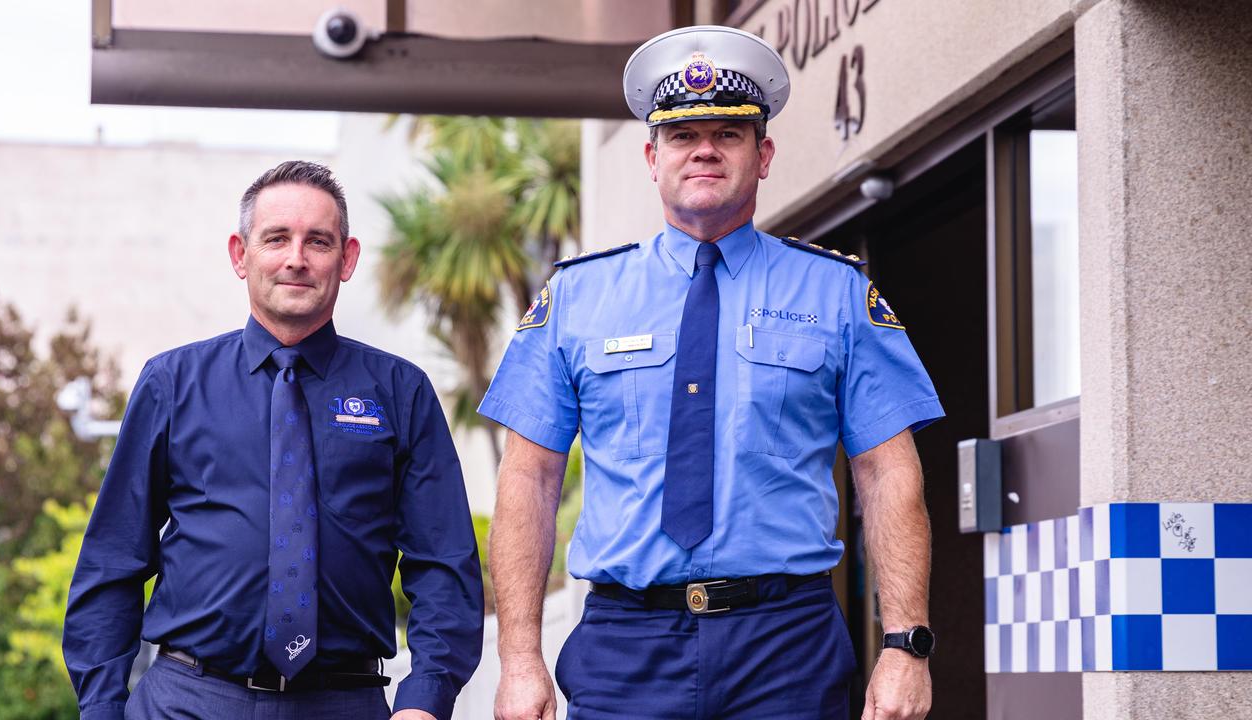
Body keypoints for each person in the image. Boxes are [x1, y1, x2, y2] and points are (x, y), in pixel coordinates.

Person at [481, 25, 943, 720]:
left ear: (764, 155)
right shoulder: (578, 298)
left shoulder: (837, 294)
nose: (703, 148)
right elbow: (529, 477)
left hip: (785, 645)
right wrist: (520, 660)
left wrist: (906, 645)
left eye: (727, 133)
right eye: (682, 134)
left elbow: (887, 472)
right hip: (626, 646)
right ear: (651, 155)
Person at [63, 161, 483, 720]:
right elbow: (113, 560)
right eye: (276, 238)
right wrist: (100, 708)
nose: (296, 259)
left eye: (318, 241)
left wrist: (426, 698)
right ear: (241, 255)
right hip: (188, 701)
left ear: (348, 257)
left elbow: (444, 563)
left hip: (346, 703)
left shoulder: (400, 391)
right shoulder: (172, 383)